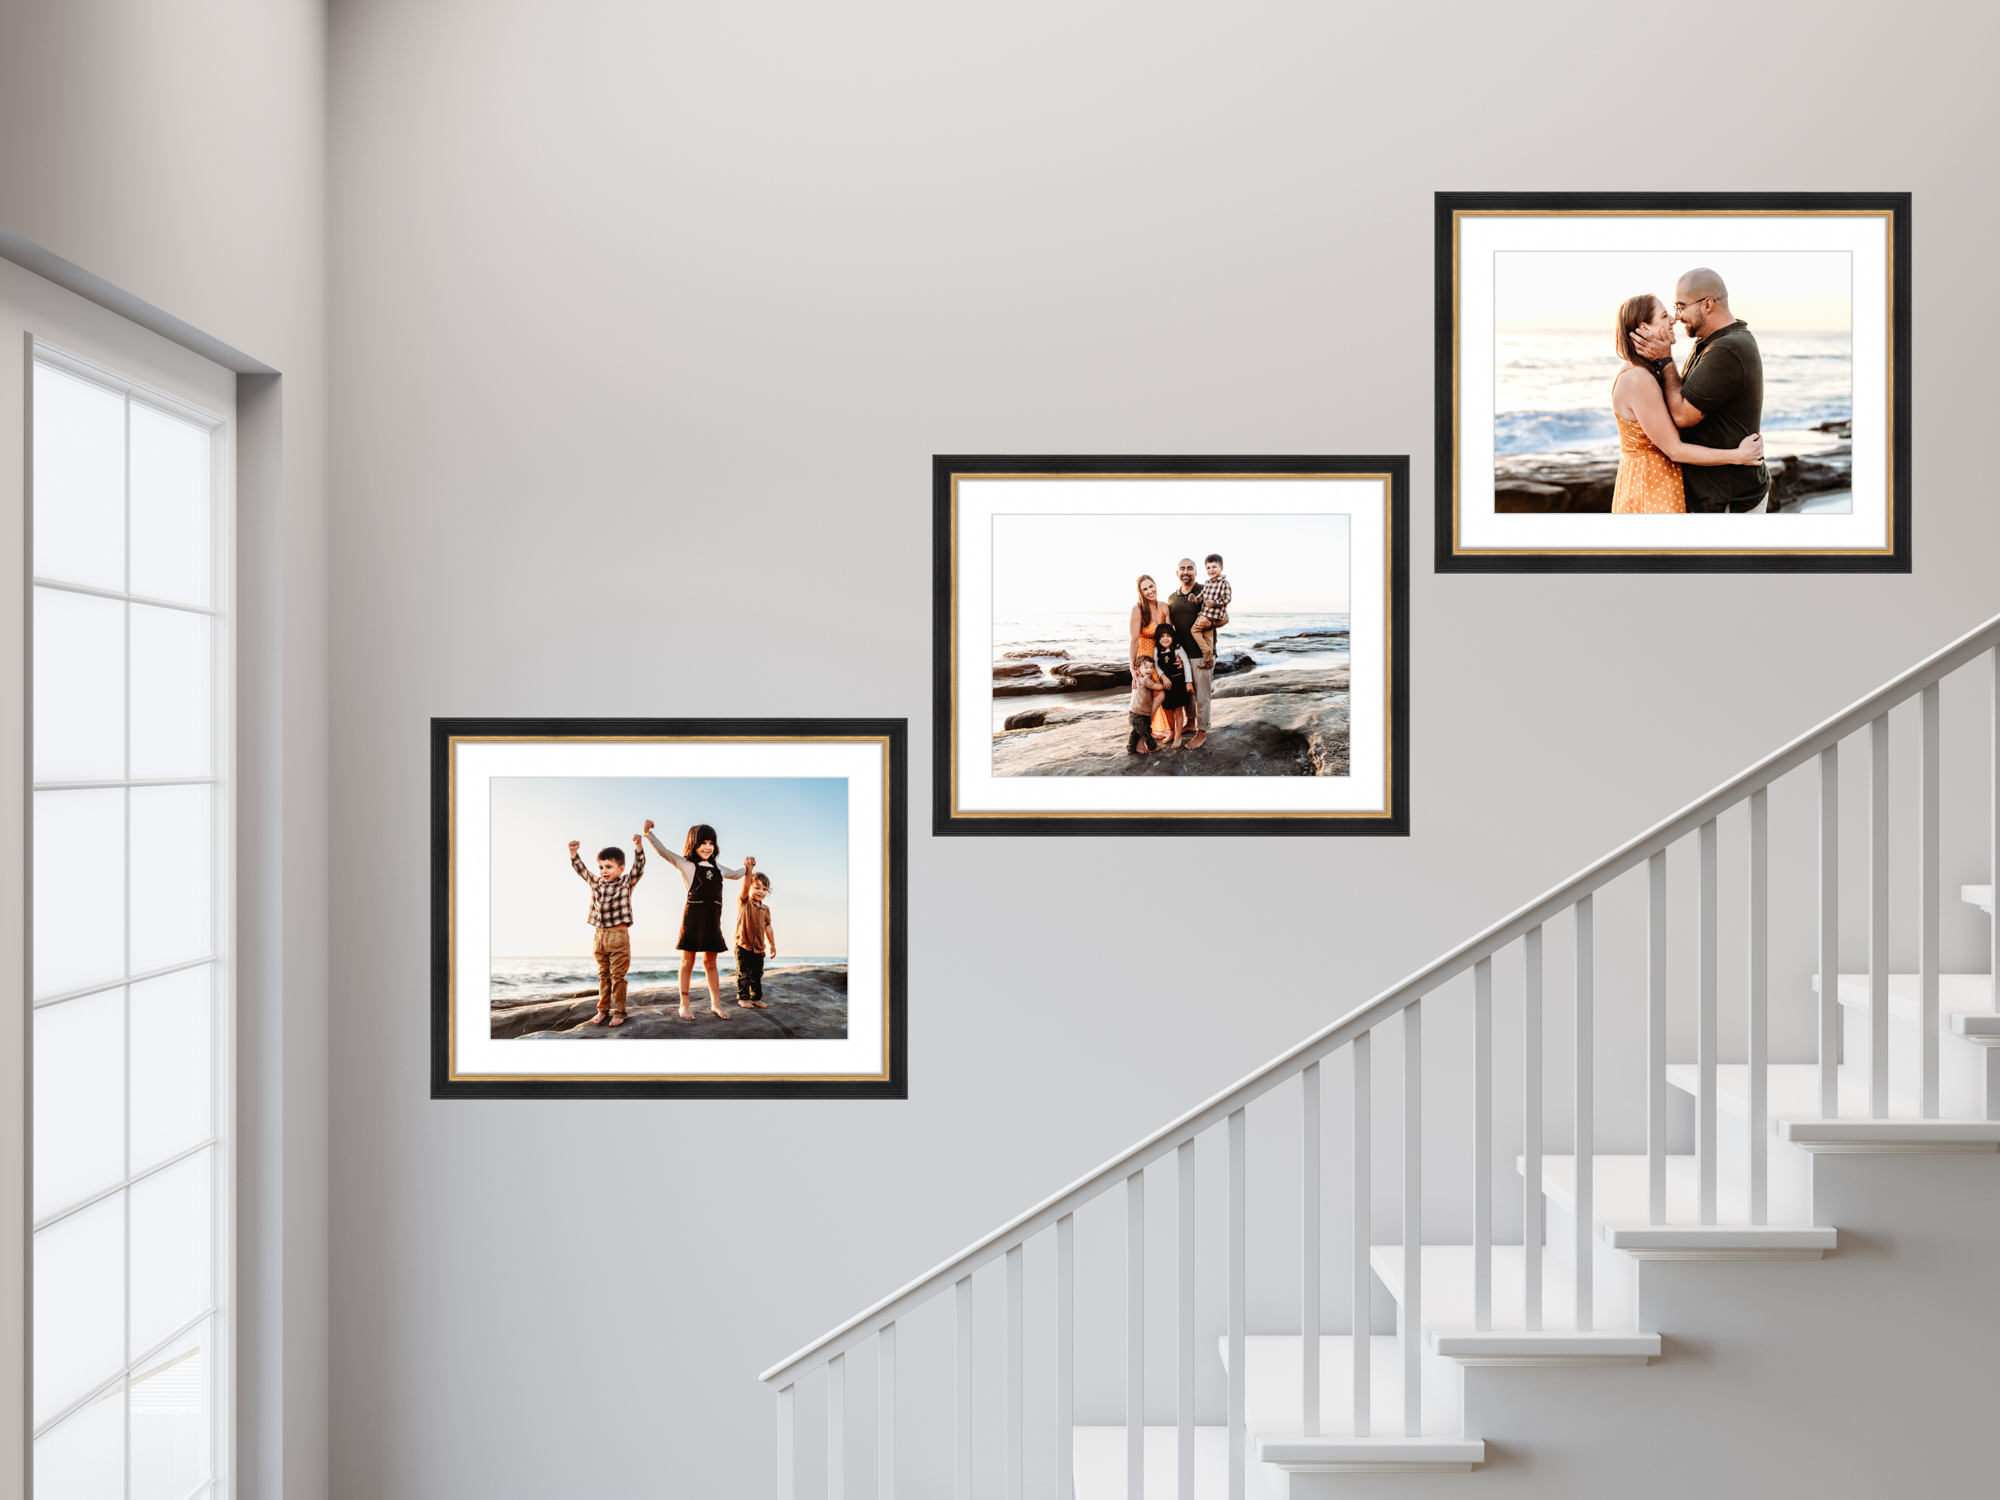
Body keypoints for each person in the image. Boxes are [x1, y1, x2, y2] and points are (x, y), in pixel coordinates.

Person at [1626, 269, 1773, 514]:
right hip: (1715, 496)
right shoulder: (1710, 342)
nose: (1676, 316)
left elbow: (1683, 415)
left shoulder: (1728, 348)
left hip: (1729, 499)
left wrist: (1665, 360)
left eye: (1681, 306)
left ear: (1707, 304)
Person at [643, 817, 752, 1021]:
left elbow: (736, 874)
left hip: (712, 920)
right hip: (692, 919)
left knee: (711, 963)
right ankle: (684, 1003)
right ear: (693, 844)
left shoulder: (718, 868)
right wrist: (648, 834)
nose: (707, 847)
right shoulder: (685, 864)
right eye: (703, 843)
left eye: (711, 843)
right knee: (688, 961)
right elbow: (664, 852)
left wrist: (748, 867)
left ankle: (716, 1003)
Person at [567, 833, 645, 1027]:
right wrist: (573, 853)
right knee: (603, 975)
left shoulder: (626, 883)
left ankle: (620, 1011)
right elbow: (582, 871)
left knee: (617, 976)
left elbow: (638, 868)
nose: (604, 871)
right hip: (599, 937)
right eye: (601, 867)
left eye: (609, 867)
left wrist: (638, 848)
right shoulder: (596, 883)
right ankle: (602, 1010)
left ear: (621, 869)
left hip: (618, 937)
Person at [1165, 558, 1214, 749]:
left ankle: (1202, 733)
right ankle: (1191, 723)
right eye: (1182, 569)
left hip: (1202, 653)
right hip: (1182, 655)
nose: (1186, 572)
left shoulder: (1206, 590)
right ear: (1177, 573)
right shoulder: (1172, 598)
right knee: (1188, 694)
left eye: (1190, 568)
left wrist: (1210, 623)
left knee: (1202, 696)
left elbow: (1224, 617)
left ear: (1195, 572)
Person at [733, 871, 776, 1009]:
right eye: (757, 887)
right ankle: (743, 998)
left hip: (758, 948)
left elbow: (768, 927)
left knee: (757, 975)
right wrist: (749, 869)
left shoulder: (766, 909)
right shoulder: (744, 902)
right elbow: (744, 888)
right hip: (743, 946)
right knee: (744, 974)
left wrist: (772, 945)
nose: (761, 891)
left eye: (764, 889)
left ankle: (756, 998)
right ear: (749, 888)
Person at [1150, 622, 1195, 750]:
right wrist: (1163, 676)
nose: (1165, 638)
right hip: (1166, 684)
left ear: (1173, 637)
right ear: (1158, 638)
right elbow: (1155, 664)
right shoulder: (1157, 649)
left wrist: (1188, 682)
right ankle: (1172, 732)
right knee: (1168, 710)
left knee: (1178, 710)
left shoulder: (1177, 648)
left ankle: (1178, 736)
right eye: (1162, 636)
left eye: (1168, 635)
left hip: (1179, 683)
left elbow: (1186, 664)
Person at [1188, 553, 1231, 671]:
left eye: (1214, 567)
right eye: (1208, 568)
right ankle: (1208, 662)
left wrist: (1214, 603)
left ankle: (1206, 651)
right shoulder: (1207, 583)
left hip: (1212, 615)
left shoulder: (1224, 583)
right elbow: (1202, 596)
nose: (1211, 570)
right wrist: (1195, 599)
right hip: (1205, 613)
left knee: (1194, 630)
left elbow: (1227, 599)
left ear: (1221, 568)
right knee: (1208, 638)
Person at [1127, 652, 1163, 755]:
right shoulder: (1146, 680)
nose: (1149, 670)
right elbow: (1157, 687)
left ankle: (1130, 748)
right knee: (1146, 732)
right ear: (1137, 668)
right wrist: (1163, 684)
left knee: (1135, 732)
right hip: (1141, 714)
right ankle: (1152, 747)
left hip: (1132, 712)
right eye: (1146, 667)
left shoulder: (1136, 679)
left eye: (1151, 667)